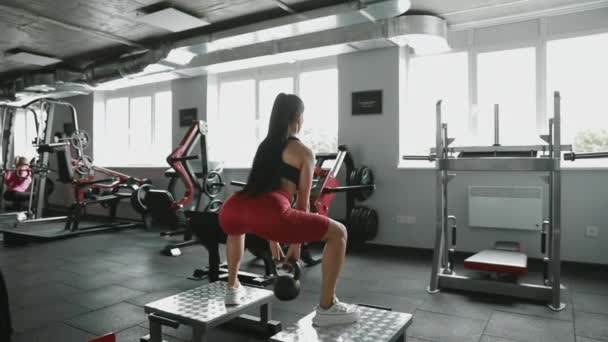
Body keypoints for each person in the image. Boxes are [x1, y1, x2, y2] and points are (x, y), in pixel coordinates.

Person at [219, 93, 358, 327]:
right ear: (297, 117)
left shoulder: (265, 146)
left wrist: (274, 240)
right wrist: (295, 250)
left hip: (233, 208)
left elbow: (259, 195)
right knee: (340, 233)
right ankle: (327, 306)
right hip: (271, 212)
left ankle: (232, 287)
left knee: (238, 229)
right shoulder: (303, 151)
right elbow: (302, 205)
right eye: (302, 115)